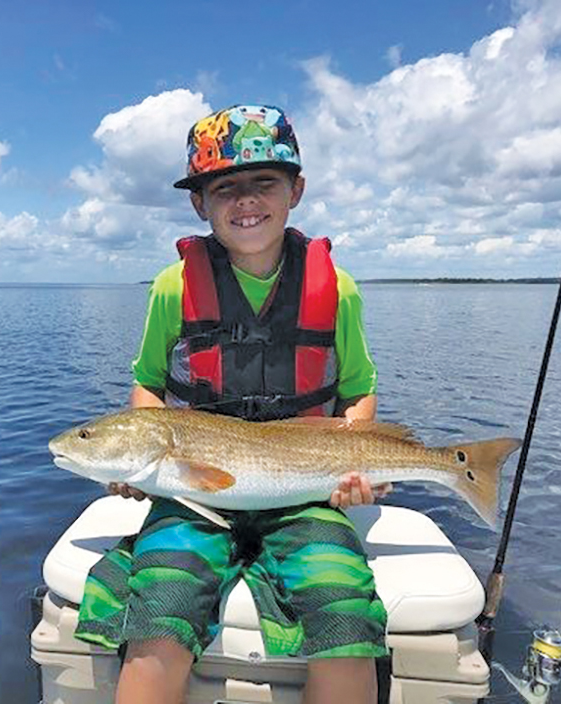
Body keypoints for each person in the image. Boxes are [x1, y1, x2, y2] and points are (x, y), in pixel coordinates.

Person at [75, 104, 390, 704]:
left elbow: (359, 392)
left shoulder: (338, 287)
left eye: (264, 183)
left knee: (343, 612)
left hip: (304, 493)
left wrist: (355, 468)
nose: (246, 201)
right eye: (225, 189)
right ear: (201, 204)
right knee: (160, 607)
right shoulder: (173, 285)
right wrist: (135, 467)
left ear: (295, 191)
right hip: (191, 494)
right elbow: (147, 384)